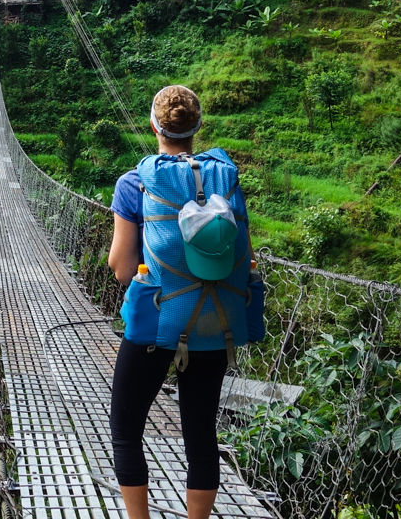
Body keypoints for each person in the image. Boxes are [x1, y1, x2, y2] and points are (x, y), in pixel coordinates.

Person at [106, 85, 249, 519]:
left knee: (127, 431)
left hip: (156, 321)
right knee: (201, 436)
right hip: (215, 321)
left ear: (154, 126)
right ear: (197, 128)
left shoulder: (136, 182)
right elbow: (239, 251)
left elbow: (121, 268)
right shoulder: (225, 177)